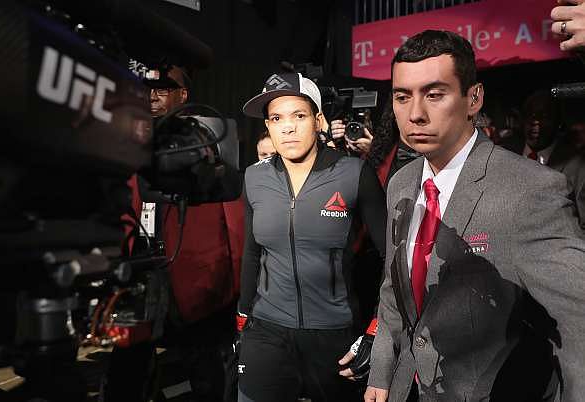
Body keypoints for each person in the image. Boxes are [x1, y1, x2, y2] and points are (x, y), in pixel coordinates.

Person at [365, 30, 585, 402]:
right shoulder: (401, 183)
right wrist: (382, 371)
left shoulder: (529, 190)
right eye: (403, 97)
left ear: (474, 99)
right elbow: (395, 286)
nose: (415, 114)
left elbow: (578, 323)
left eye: (435, 94)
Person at [238, 72, 387, 402]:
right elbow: (251, 253)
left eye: (299, 115)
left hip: (334, 336)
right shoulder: (253, 177)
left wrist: (379, 331)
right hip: (266, 332)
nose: (287, 127)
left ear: (318, 119)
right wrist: (242, 318)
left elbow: (391, 259)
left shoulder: (355, 174)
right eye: (276, 118)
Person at [104, 65, 243, 402]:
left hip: (200, 292)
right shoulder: (119, 141)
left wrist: (232, 292)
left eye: (164, 88)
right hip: (137, 282)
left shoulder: (205, 143)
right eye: (147, 88)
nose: (152, 96)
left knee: (210, 382)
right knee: (125, 380)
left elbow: (234, 225)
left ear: (183, 95)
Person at [502, 90, 585, 229]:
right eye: (530, 115)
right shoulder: (505, 155)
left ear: (558, 122)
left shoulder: (577, 166)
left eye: (544, 116)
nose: (535, 121)